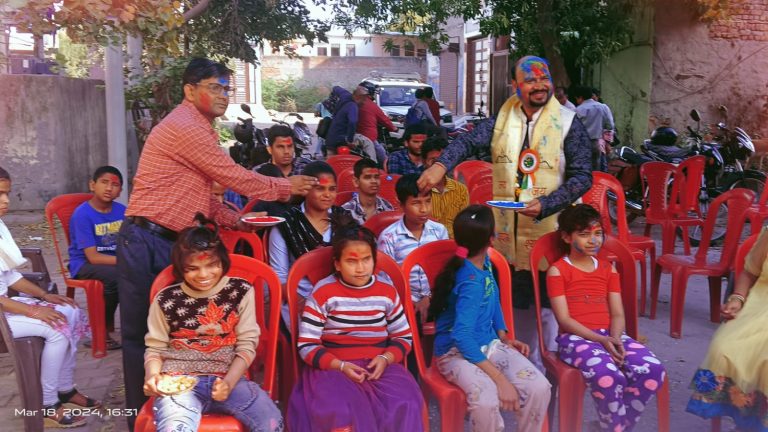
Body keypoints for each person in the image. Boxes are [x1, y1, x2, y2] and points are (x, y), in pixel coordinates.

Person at [118, 57, 316, 429]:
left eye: (226, 87)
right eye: (214, 87)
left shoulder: (202, 129)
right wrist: (285, 187)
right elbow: (231, 175)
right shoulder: (185, 125)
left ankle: (183, 400)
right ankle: (140, 418)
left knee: (179, 329)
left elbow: (204, 195)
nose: (223, 95)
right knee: (141, 338)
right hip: (147, 239)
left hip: (174, 242)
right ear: (190, 91)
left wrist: (237, 220)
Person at [417, 55, 593, 372]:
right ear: (515, 85)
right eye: (530, 80)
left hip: (550, 230)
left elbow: (583, 176)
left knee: (549, 305)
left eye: (544, 79)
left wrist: (547, 203)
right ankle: (522, 365)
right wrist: (441, 165)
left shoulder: (568, 123)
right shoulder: (502, 120)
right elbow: (467, 141)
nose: (540, 86)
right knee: (514, 301)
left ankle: (549, 366)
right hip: (506, 236)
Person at [143, 213, 283, 432]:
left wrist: (228, 382)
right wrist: (152, 376)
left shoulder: (239, 291)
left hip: (230, 378)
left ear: (223, 261)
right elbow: (155, 348)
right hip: (179, 381)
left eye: (212, 265)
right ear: (180, 268)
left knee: (271, 421)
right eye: (193, 268)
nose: (203, 275)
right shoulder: (167, 299)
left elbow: (247, 345)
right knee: (174, 427)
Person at [288, 213, 423, 431]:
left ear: (374, 260)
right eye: (351, 261)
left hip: (378, 365)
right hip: (332, 369)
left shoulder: (386, 293)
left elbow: (402, 337)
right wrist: (339, 365)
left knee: (405, 403)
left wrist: (386, 358)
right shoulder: (323, 293)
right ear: (337, 264)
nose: (360, 268)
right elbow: (307, 345)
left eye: (366, 260)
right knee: (339, 412)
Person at [431, 205, 551, 432]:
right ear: (491, 239)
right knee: (486, 401)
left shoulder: (483, 263)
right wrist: (501, 380)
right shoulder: (470, 281)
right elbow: (461, 335)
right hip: (455, 353)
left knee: (539, 387)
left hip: (489, 344)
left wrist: (504, 337)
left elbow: (493, 298)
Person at [548, 204, 665, 432]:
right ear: (565, 237)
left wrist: (615, 338)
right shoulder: (558, 270)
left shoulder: (608, 269)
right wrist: (600, 341)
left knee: (653, 369)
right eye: (583, 235)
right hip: (575, 339)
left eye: (598, 233)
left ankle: (613, 425)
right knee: (607, 375)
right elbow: (564, 320)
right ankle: (616, 426)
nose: (593, 240)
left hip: (611, 335)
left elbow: (618, 313)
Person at [0, 167, 96, 428]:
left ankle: (65, 389)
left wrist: (45, 297)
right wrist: (34, 311)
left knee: (70, 311)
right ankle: (47, 404)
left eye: (7, 194)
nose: (6, 201)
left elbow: (9, 279)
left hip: (5, 307)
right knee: (56, 327)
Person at [687, 226, 768, 431]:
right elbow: (749, 272)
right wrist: (737, 298)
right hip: (760, 307)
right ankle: (747, 420)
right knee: (723, 348)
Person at [268, 161, 348, 313]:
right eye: (320, 189)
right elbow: (280, 279)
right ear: (305, 190)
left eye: (332, 189)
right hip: (299, 302)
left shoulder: (344, 219)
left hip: (343, 301)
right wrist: (310, 309)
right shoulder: (286, 225)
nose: (327, 195)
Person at [68, 165, 125, 350]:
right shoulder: (82, 214)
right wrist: (126, 262)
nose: (109, 188)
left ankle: (137, 329)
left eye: (115, 185)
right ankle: (101, 331)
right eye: (104, 182)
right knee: (115, 276)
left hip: (113, 263)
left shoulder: (122, 212)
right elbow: (93, 257)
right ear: (92, 185)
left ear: (120, 191)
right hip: (84, 264)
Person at [378, 174, 448, 321]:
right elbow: (387, 279)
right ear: (401, 204)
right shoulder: (389, 237)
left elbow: (445, 270)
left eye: (428, 201)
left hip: (436, 296)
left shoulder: (439, 231)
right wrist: (411, 301)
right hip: (403, 299)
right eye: (416, 203)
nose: (424, 209)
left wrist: (429, 298)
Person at [421, 137, 468, 239]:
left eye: (442, 161)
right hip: (426, 242)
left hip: (455, 242)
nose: (437, 167)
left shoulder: (460, 189)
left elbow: (464, 223)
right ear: (424, 161)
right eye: (433, 160)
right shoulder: (417, 188)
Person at [341, 158, 394, 224]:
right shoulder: (346, 211)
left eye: (376, 177)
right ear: (356, 182)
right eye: (367, 177)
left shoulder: (387, 206)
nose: (374, 181)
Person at [574, 86, 615, 172]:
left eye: (577, 99)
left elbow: (573, 129)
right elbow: (610, 126)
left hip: (581, 145)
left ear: (580, 97)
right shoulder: (603, 107)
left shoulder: (578, 110)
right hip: (597, 144)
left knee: (582, 170)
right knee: (596, 171)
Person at [354, 83, 396, 164]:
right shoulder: (370, 104)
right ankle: (386, 169)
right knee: (382, 155)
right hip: (368, 136)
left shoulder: (355, 101)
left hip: (354, 134)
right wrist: (394, 128)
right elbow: (384, 120)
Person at [324, 86, 358, 156]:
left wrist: (332, 96)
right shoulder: (352, 105)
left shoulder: (344, 95)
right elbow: (352, 121)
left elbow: (335, 88)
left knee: (330, 162)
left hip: (331, 137)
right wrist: (350, 140)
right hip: (342, 140)